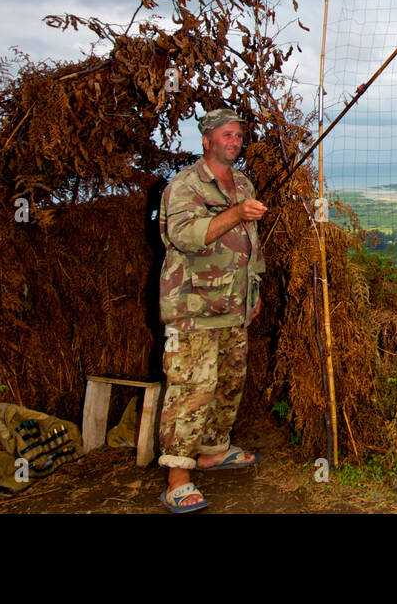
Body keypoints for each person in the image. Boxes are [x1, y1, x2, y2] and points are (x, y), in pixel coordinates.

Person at [157, 107, 267, 512]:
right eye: (226, 134)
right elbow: (186, 237)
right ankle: (177, 477)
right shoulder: (185, 186)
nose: (234, 141)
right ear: (206, 140)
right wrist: (236, 212)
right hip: (193, 308)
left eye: (238, 135)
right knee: (191, 390)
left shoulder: (242, 182)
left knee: (229, 383)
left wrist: (253, 293)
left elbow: (252, 245)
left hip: (234, 306)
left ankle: (213, 451)